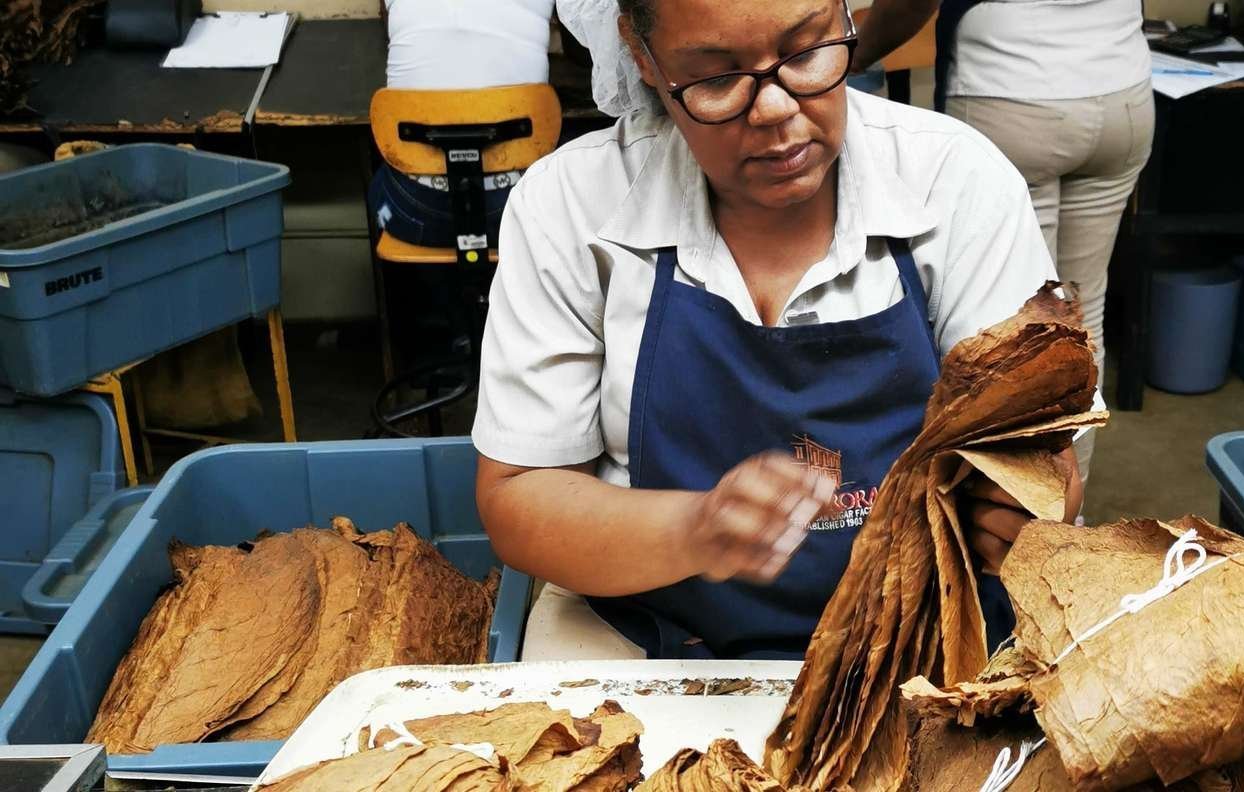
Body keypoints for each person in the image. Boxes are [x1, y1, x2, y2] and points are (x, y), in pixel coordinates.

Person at [474, 0, 1094, 662]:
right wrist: (691, 530)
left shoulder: (953, 180)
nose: (774, 110)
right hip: (654, 633)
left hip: (922, 637)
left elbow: (1040, 458)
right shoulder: (572, 206)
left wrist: (1017, 500)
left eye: (805, 54)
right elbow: (519, 495)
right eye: (716, 79)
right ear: (642, 57)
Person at [853, 0, 1155, 484]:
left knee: (1020, 337)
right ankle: (1067, 520)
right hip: (1123, 93)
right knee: (1079, 313)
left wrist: (851, 51)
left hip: (1013, 93)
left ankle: (1038, 520)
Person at [367, 0, 555, 249]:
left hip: (413, 210)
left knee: (373, 173)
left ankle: (436, 287)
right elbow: (583, 46)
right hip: (520, 211)